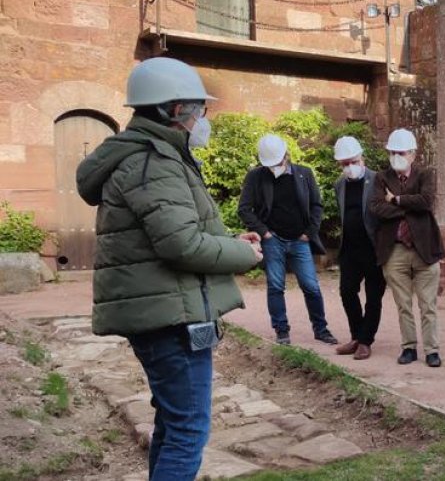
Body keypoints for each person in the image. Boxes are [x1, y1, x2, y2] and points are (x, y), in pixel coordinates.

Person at [77, 57, 263, 480]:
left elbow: (175, 231)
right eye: (200, 108)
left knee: (174, 423)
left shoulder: (147, 156)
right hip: (172, 319)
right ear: (175, 110)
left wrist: (229, 243)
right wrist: (245, 256)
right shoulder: (153, 162)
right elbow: (180, 245)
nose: (204, 118)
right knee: (187, 431)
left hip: (164, 312)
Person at [239, 133, 337, 346]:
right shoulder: (256, 177)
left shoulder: (304, 174)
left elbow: (316, 206)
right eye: (270, 164)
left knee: (311, 286)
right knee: (275, 286)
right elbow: (245, 209)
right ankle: (281, 330)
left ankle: (321, 329)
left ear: (286, 156)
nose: (274, 167)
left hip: (300, 240)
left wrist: (309, 233)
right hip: (273, 239)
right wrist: (264, 232)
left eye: (277, 162)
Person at [369, 128, 445, 367]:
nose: (395, 157)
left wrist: (397, 200)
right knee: (403, 304)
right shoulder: (381, 178)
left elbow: (427, 202)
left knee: (428, 305)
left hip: (424, 249)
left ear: (412, 154)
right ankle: (409, 347)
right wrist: (406, 207)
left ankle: (432, 350)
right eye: (392, 152)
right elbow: (375, 207)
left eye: (400, 152)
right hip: (395, 250)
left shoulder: (425, 174)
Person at [331, 136, 384, 360]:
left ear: (361, 158)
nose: (349, 167)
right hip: (350, 249)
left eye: (352, 161)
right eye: (344, 164)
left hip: (374, 249)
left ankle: (365, 341)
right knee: (347, 291)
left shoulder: (378, 180)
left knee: (373, 297)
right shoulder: (339, 185)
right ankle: (356, 335)